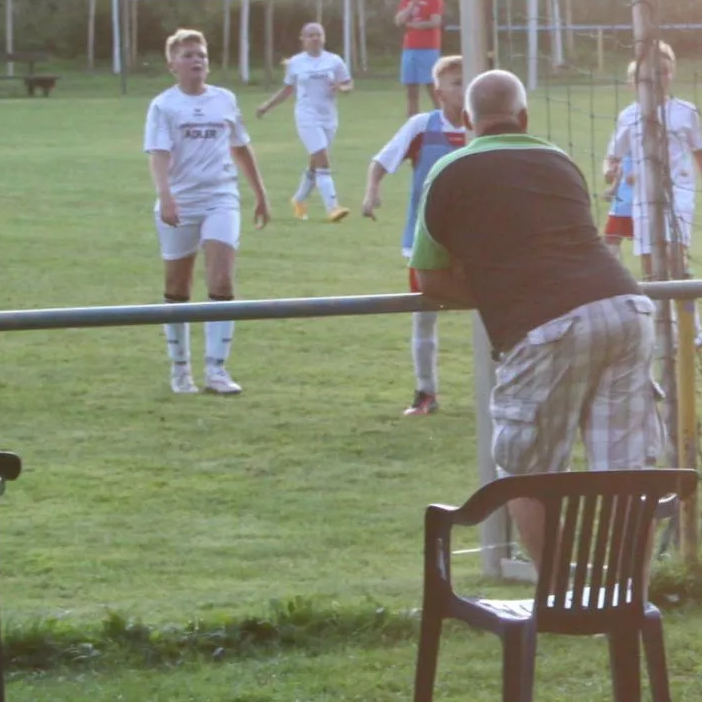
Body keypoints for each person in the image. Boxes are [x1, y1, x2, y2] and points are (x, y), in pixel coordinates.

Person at [411, 70, 664, 560]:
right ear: (524, 117)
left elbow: (430, 279)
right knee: (628, 473)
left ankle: (559, 592)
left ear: (467, 121)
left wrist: (500, 291)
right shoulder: (559, 160)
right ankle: (627, 595)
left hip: (547, 326)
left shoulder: (449, 170)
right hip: (626, 308)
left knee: (527, 475)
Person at [145, 29, 272, 395]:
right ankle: (180, 370)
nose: (196, 60)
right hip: (181, 201)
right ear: (172, 65)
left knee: (221, 280)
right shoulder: (164, 106)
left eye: (201, 54)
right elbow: (158, 154)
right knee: (177, 286)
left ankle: (217, 370)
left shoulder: (224, 100)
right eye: (187, 55)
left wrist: (260, 193)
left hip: (221, 198)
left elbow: (241, 147)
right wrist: (166, 196)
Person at [361, 54, 469, 417]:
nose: (465, 88)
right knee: (424, 314)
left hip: (476, 243)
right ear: (439, 92)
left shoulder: (484, 128)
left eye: (469, 80)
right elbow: (381, 160)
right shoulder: (422, 126)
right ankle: (425, 392)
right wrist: (372, 191)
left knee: (492, 315)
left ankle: (501, 388)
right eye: (457, 82)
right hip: (425, 242)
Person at [602, 43, 702, 349]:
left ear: (672, 74)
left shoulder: (686, 112)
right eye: (653, 74)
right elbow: (612, 156)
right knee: (651, 268)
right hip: (644, 197)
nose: (660, 78)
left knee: (676, 258)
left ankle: (693, 329)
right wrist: (610, 171)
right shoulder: (629, 116)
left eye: (665, 72)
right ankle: (661, 331)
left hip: (679, 192)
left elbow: (701, 155)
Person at [257, 22, 353, 222]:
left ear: (324, 38)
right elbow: (287, 90)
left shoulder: (334, 60)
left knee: (315, 163)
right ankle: (333, 207)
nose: (315, 38)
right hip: (306, 116)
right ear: (303, 39)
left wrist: (341, 88)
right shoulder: (296, 63)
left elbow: (348, 83)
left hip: (329, 117)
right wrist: (267, 106)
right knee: (323, 160)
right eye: (310, 35)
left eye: (318, 34)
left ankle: (299, 199)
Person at [394, 0, 445, 115]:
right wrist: (410, 6)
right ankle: (413, 121)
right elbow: (399, 21)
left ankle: (443, 117)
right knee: (411, 88)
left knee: (431, 86)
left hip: (429, 48)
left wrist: (414, 25)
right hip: (410, 48)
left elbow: (435, 22)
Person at [602, 153, 637, 255]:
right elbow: (622, 164)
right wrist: (614, 188)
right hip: (623, 202)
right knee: (611, 239)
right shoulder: (627, 151)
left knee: (650, 244)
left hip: (644, 203)